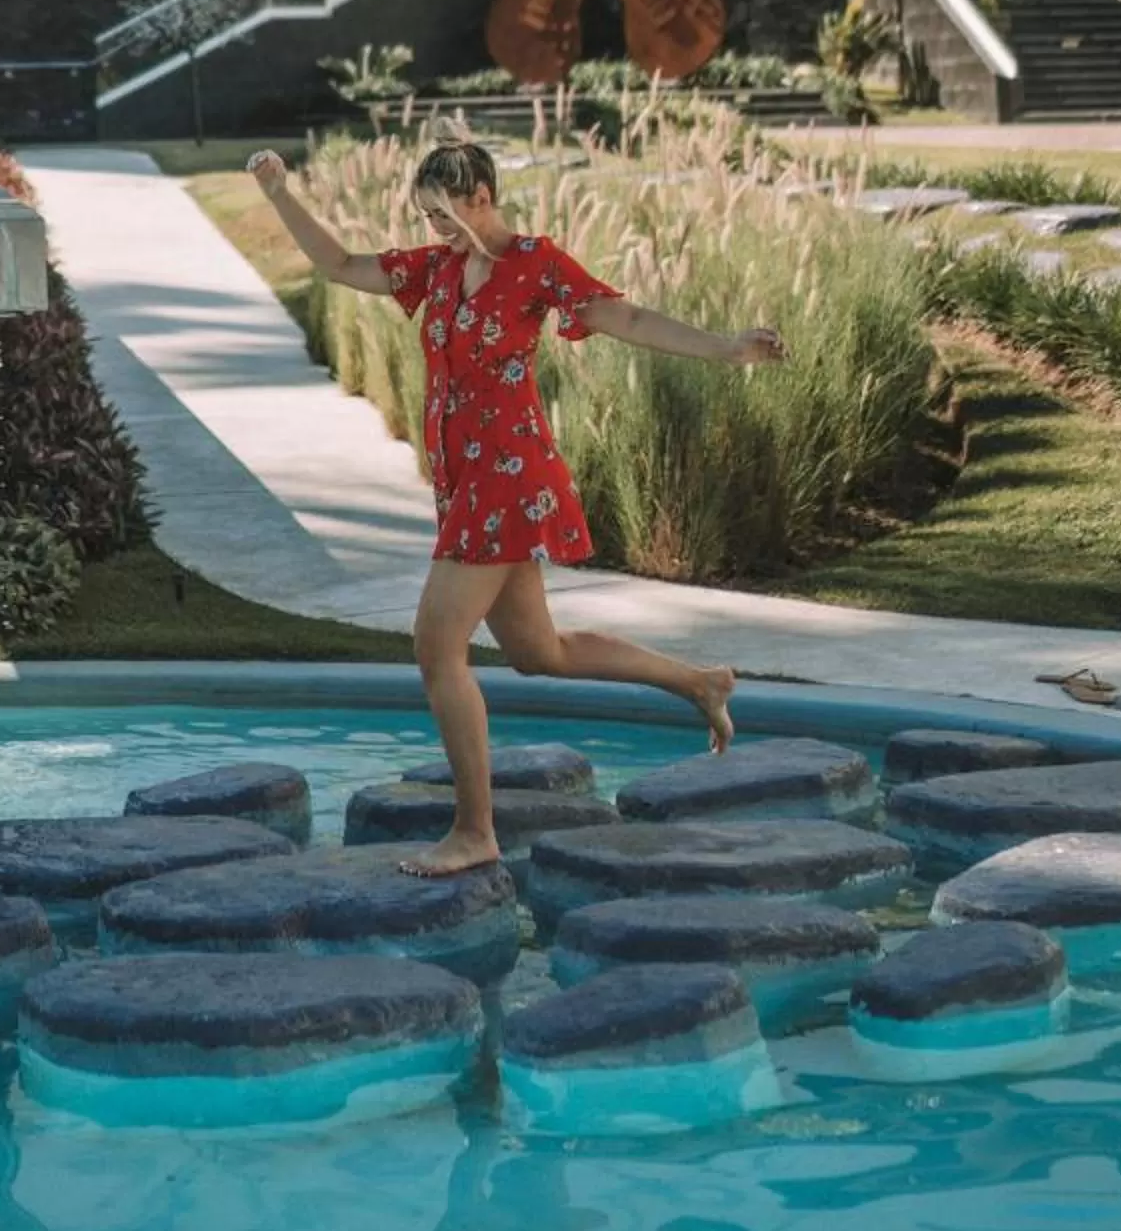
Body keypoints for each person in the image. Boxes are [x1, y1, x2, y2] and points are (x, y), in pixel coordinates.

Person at [248, 136, 785, 876]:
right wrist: (280, 192)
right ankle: (698, 681)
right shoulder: (435, 271)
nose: (437, 229)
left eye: (446, 214)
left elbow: (622, 319)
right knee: (539, 652)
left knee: (437, 645)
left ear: (482, 197)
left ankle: (475, 830)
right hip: (465, 481)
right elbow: (339, 265)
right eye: (426, 216)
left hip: (510, 476)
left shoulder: (535, 263)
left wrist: (727, 349)